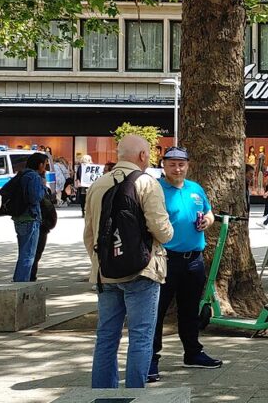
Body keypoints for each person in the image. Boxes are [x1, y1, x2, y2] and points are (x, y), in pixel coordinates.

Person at [85, 135, 174, 388]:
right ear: (143, 156)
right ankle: (136, 392)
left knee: (106, 337)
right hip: (142, 271)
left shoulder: (98, 184)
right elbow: (161, 230)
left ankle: (103, 395)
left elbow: (89, 233)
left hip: (106, 273)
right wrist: (169, 233)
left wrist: (101, 262)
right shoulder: (146, 182)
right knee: (141, 336)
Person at [149, 147, 221, 383]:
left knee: (190, 311)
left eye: (181, 164)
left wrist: (207, 221)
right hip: (166, 260)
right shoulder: (156, 189)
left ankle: (193, 353)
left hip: (194, 261)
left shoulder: (195, 188)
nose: (177, 169)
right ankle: (150, 359)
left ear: (188, 165)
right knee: (156, 312)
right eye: (172, 164)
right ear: (164, 165)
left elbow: (209, 213)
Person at [10, 152, 50, 282]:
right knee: (28, 255)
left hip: (20, 218)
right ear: (39, 165)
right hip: (30, 218)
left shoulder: (22, 174)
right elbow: (35, 198)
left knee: (23, 252)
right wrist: (43, 188)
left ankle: (18, 280)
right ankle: (21, 283)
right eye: (45, 165)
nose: (45, 168)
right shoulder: (34, 177)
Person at [30, 184, 57, 281]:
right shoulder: (41, 193)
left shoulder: (22, 183)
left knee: (26, 253)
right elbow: (50, 211)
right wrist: (47, 224)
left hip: (24, 222)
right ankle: (30, 277)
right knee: (35, 254)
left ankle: (23, 277)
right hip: (40, 226)